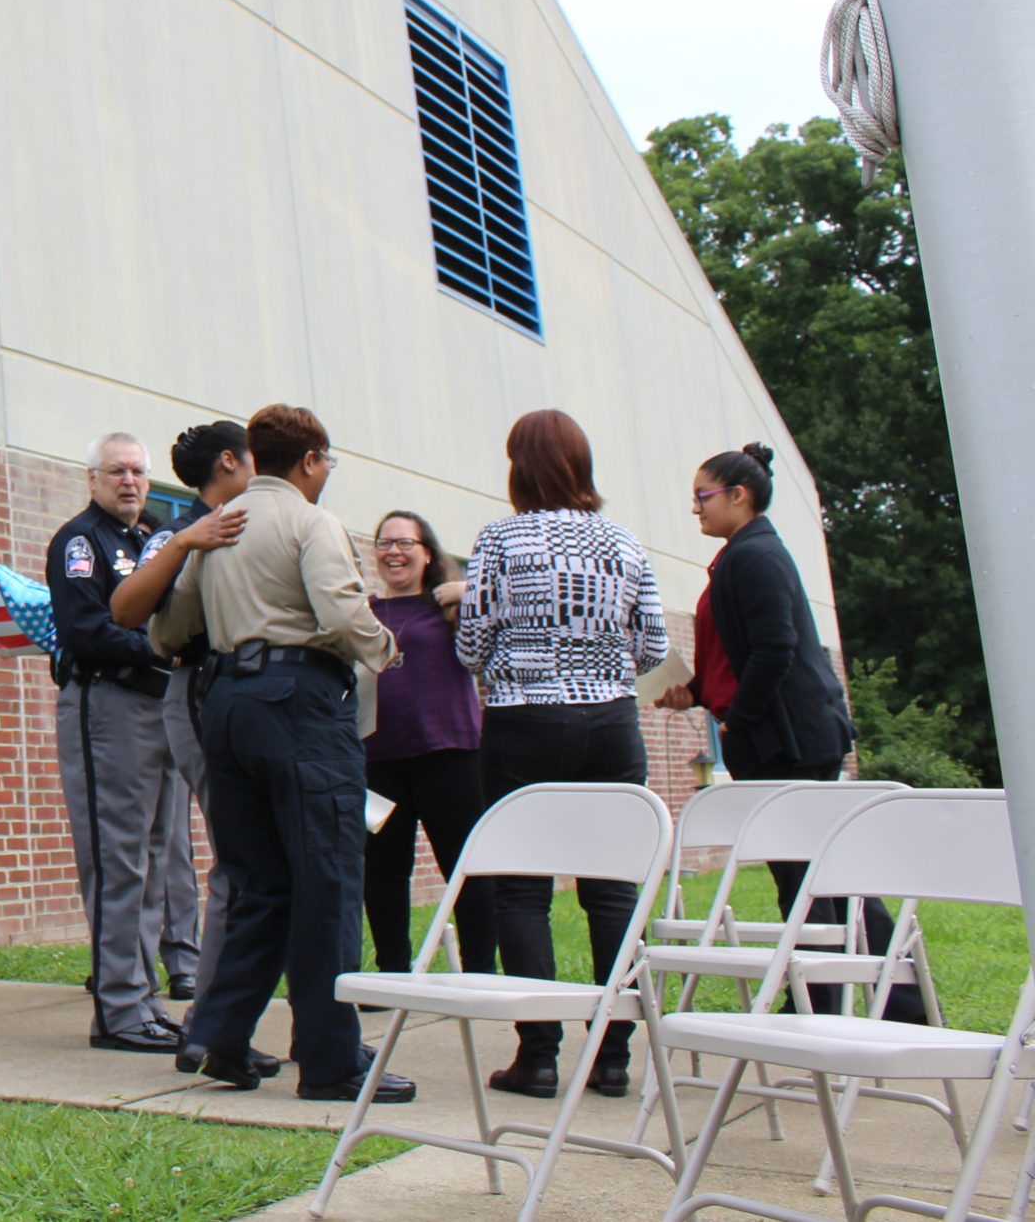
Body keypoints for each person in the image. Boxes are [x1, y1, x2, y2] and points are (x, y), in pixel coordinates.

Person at [147, 404, 411, 1102]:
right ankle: (331, 1061)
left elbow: (170, 629)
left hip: (227, 704)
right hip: (299, 701)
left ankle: (220, 1037)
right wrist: (385, 649)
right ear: (311, 460)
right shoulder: (309, 520)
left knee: (258, 881)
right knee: (327, 877)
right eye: (326, 463)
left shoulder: (223, 524)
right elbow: (339, 608)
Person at [660, 443, 923, 1021]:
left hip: (789, 744)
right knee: (819, 872)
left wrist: (736, 720)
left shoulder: (755, 556)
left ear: (739, 495)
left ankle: (840, 1000)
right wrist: (698, 692)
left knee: (810, 874)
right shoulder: (743, 554)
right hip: (779, 738)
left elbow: (777, 650)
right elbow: (744, 653)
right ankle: (864, 999)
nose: (695, 510)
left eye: (703, 497)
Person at [456, 410, 665, 1101]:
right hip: (612, 719)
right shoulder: (625, 540)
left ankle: (538, 1054)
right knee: (612, 888)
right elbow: (654, 645)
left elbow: (470, 643)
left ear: (520, 467)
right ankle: (612, 1055)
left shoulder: (501, 537)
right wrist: (601, 662)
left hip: (525, 719)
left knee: (521, 887)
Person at [48, 431, 243, 1054]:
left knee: (162, 855)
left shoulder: (153, 537)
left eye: (137, 471)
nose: (129, 481)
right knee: (118, 858)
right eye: (116, 472)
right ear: (93, 480)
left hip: (161, 707)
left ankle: (143, 998)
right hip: (108, 705)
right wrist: (168, 647)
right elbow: (86, 630)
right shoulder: (80, 542)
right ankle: (119, 1010)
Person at [111, 420, 263, 1067]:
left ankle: (218, 1023)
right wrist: (185, 541)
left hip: (246, 696)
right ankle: (210, 1024)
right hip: (198, 690)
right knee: (240, 858)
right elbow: (125, 607)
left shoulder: (258, 519)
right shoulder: (181, 531)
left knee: (255, 861)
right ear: (229, 462)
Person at [362, 511, 495, 975]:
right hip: (376, 763)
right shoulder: (363, 611)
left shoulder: (450, 608)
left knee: (464, 866)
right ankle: (392, 971)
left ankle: (479, 971)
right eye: (384, 543)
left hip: (449, 755)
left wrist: (470, 592)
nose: (393, 551)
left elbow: (506, 612)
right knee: (381, 869)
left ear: (427, 553)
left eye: (404, 543)